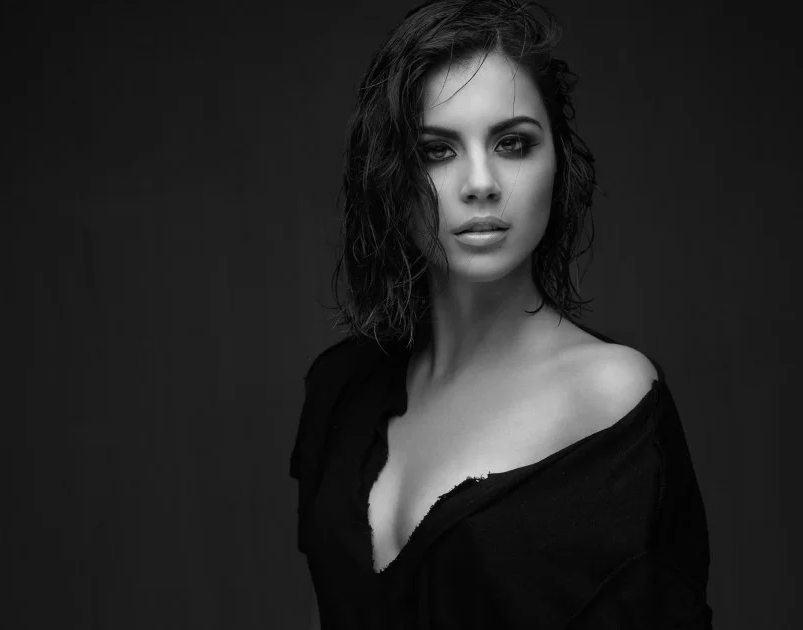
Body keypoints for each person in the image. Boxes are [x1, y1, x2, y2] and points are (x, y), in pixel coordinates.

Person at [289, 1, 713, 627]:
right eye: (437, 151)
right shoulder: (342, 389)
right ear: (390, 177)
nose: (480, 182)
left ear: (557, 162)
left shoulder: (610, 394)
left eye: (513, 144)